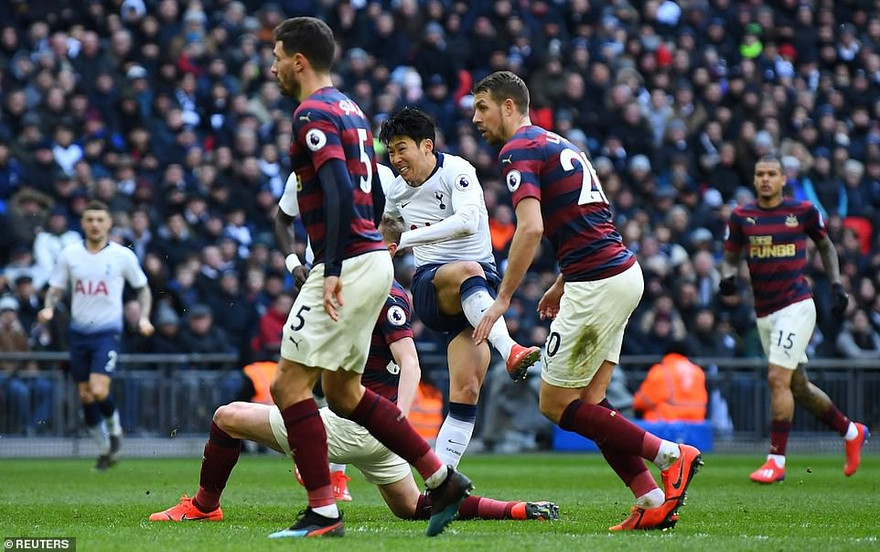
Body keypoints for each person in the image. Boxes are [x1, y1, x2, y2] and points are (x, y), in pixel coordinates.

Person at [148, 217, 559, 525]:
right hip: (375, 429)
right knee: (415, 507)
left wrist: (396, 419)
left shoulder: (381, 290)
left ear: (389, 246)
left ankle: (205, 506)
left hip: (362, 423)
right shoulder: (364, 283)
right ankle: (518, 508)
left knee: (227, 417)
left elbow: (411, 361)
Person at [266, 17, 471, 539]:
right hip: (371, 259)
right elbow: (368, 194)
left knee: (288, 385)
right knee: (344, 393)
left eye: (275, 56)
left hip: (346, 261)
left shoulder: (310, 112)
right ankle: (440, 477)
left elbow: (336, 188)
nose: (270, 67)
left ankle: (322, 512)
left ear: (298, 61)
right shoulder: (350, 108)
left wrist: (329, 268)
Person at [470, 71, 702, 531]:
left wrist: (502, 300)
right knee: (592, 405)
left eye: (482, 107)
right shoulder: (558, 143)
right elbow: (589, 217)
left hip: (597, 282)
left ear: (509, 106)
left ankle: (671, 455)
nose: (476, 117)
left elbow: (532, 228)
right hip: (616, 272)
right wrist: (564, 277)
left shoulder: (516, 150)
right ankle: (651, 499)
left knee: (554, 404)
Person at [378, 107, 541, 468]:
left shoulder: (457, 171)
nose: (396, 159)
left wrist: (405, 238)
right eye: (390, 151)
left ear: (426, 146)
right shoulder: (396, 191)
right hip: (432, 286)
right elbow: (387, 235)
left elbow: (467, 222)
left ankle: (441, 478)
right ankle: (510, 349)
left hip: (478, 293)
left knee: (466, 391)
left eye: (401, 148)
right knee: (467, 270)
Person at [720, 155, 869, 483]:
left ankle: (776, 460)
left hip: (797, 306)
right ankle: (850, 431)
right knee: (797, 387)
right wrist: (727, 276)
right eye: (760, 174)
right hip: (765, 313)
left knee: (776, 377)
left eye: (772, 174)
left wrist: (836, 285)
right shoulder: (742, 217)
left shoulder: (802, 212)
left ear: (783, 178)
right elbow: (730, 256)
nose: (765, 180)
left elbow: (826, 246)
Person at [37, 200, 154, 471]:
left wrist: (145, 317)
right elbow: (55, 288)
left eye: (100, 219)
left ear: (109, 223)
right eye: (90, 219)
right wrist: (48, 308)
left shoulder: (122, 256)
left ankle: (115, 433)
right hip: (78, 334)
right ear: (83, 223)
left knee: (99, 390)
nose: (95, 224)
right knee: (86, 396)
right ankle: (104, 451)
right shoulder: (70, 255)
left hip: (107, 333)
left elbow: (143, 288)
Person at [633, 342, 708, 422]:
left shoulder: (661, 371)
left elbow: (642, 401)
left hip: (666, 424)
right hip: (696, 423)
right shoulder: (698, 371)